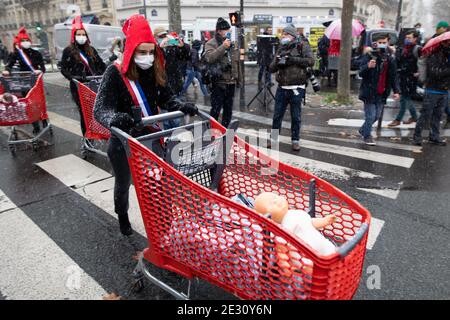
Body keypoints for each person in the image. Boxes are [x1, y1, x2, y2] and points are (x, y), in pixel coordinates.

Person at [93, 15, 198, 236]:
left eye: (151, 52)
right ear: (131, 51)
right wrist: (115, 119)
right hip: (124, 141)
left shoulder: (154, 69)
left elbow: (166, 98)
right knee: (123, 185)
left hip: (151, 138)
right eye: (142, 52)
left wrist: (180, 105)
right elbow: (100, 109)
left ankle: (163, 227)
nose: (147, 57)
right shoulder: (115, 72)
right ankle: (122, 216)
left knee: (159, 185)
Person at [268, 24, 314, 151]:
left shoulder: (302, 45)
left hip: (297, 88)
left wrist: (292, 59)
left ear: (293, 36)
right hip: (282, 87)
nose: (283, 36)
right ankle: (273, 139)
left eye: (286, 34)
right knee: (277, 115)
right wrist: (277, 60)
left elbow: (311, 61)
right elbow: (271, 68)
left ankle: (295, 140)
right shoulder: (281, 47)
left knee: (296, 116)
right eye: (283, 34)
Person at [60, 16, 106, 136]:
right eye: (78, 34)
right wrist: (73, 77)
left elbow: (101, 65)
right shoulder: (68, 51)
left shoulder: (91, 50)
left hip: (94, 84)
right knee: (84, 112)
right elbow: (63, 68)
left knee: (96, 110)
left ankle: (99, 132)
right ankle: (87, 136)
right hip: (79, 87)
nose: (81, 37)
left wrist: (106, 73)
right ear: (74, 36)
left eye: (83, 34)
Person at [358, 33, 400, 146]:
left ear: (388, 43)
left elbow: (393, 76)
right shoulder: (369, 55)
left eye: (384, 42)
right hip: (369, 91)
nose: (382, 44)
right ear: (375, 43)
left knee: (376, 116)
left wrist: (396, 91)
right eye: (380, 42)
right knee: (370, 116)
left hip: (382, 92)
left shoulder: (390, 58)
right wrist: (368, 66)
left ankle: (363, 130)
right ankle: (367, 136)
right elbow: (361, 72)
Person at [2, 27, 45, 134]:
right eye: (23, 41)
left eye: (27, 40)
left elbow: (43, 68)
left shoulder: (36, 54)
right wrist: (7, 71)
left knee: (39, 102)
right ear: (19, 43)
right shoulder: (16, 54)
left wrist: (39, 71)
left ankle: (43, 119)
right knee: (29, 103)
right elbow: (9, 66)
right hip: (24, 81)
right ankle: (35, 125)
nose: (25, 43)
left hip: (35, 81)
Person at [412, 38, 450, 146]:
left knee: (438, 115)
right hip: (432, 89)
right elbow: (434, 72)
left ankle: (434, 136)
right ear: (442, 42)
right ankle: (417, 137)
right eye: (448, 42)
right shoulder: (434, 55)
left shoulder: (448, 55)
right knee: (425, 114)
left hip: (444, 90)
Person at [203, 17, 240, 128]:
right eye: (226, 30)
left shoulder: (232, 44)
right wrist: (223, 47)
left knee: (228, 110)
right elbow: (209, 58)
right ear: (219, 31)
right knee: (216, 109)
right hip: (218, 83)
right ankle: (212, 130)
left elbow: (236, 62)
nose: (228, 32)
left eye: (229, 30)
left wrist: (239, 79)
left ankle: (224, 130)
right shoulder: (211, 43)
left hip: (231, 82)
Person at [388, 31, 421, 127]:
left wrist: (419, 73)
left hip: (411, 78)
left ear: (415, 38)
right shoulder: (403, 48)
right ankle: (414, 116)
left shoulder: (418, 49)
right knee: (404, 98)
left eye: (409, 37)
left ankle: (398, 119)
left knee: (405, 98)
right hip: (402, 77)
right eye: (406, 37)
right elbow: (399, 61)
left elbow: (423, 62)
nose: (407, 39)